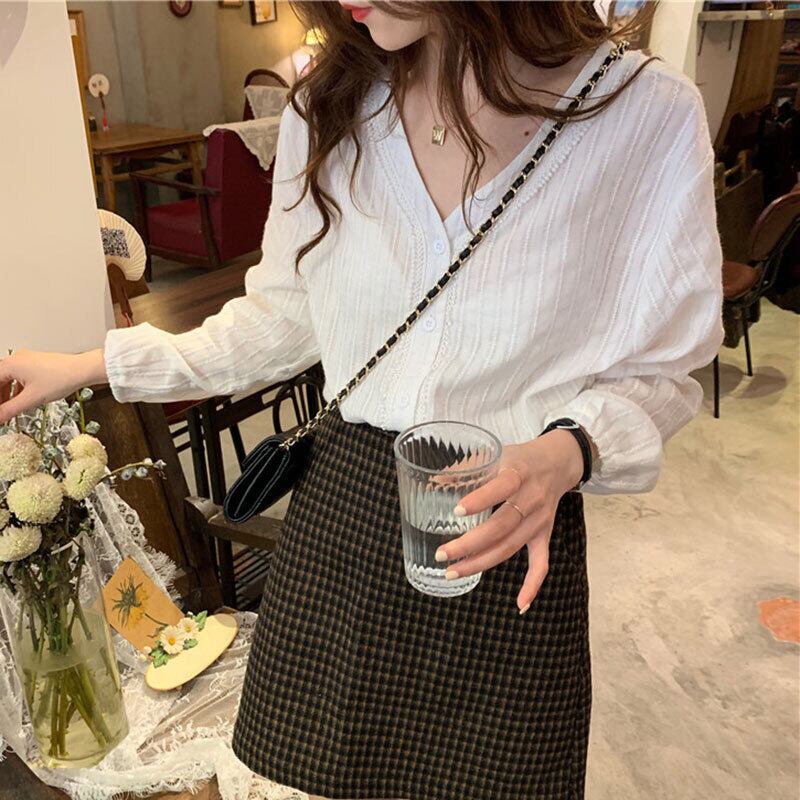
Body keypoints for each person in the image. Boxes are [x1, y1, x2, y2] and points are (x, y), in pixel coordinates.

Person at [0, 2, 724, 798]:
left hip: (505, 521)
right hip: (345, 512)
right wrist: (93, 363)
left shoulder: (643, 115)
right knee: (325, 778)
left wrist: (567, 452)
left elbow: (664, 366)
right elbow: (280, 322)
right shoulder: (332, 106)